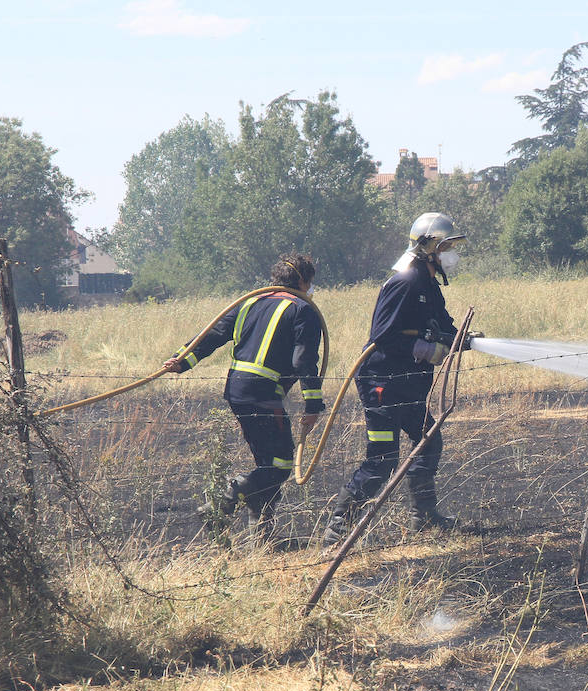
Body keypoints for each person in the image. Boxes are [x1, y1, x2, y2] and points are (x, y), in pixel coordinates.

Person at [323, 212, 466, 544]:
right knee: (383, 459)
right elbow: (382, 336)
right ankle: (338, 528)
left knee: (429, 442)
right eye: (446, 246)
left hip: (410, 384)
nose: (452, 254)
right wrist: (423, 348)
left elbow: (444, 327)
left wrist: (464, 340)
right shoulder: (404, 282)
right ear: (430, 247)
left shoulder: (429, 284)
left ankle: (425, 517)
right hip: (383, 383)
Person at [162, 254, 324, 541]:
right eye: (310, 282)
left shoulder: (250, 302)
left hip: (237, 390)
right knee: (282, 464)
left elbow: (213, 335)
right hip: (263, 393)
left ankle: (262, 538)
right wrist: (313, 404)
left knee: (268, 464)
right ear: (302, 280)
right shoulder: (303, 309)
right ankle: (223, 501)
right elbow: (304, 361)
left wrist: (182, 360)